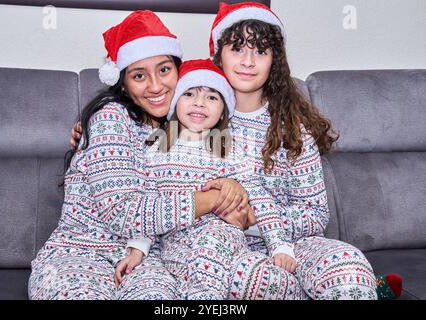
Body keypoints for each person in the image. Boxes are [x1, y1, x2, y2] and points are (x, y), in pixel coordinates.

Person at [29, 10, 252, 300]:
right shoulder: (111, 117)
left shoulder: (181, 126)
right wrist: (212, 200)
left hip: (150, 261)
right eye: (139, 76)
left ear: (179, 72)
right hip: (81, 253)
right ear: (122, 82)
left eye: (164, 70)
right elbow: (123, 213)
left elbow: (218, 171)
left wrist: (233, 187)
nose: (156, 86)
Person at [206, 1, 402, 300]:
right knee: (259, 281)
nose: (248, 61)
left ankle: (366, 287)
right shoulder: (192, 119)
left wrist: (256, 220)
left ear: (275, 61)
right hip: (223, 251)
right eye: (238, 48)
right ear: (218, 53)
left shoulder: (293, 130)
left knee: (348, 268)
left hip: (297, 244)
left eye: (260, 51)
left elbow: (315, 215)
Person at [115, 58, 296, 299]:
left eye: (212, 97)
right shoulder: (156, 145)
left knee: (215, 251)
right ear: (175, 101)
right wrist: (137, 249)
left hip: (222, 239)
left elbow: (260, 198)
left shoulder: (228, 148)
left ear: (223, 109)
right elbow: (148, 200)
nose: (200, 103)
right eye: (189, 94)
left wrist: (280, 245)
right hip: (175, 246)